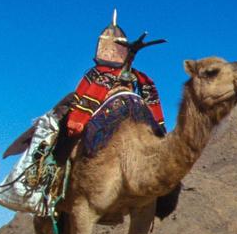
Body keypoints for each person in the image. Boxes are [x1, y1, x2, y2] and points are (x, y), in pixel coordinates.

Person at [53, 12, 165, 162]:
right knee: (55, 126)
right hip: (99, 108)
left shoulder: (138, 78)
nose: (110, 52)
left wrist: (131, 55)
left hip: (131, 110)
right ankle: (51, 163)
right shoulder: (96, 75)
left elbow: (147, 96)